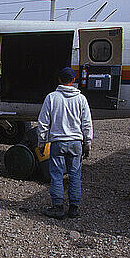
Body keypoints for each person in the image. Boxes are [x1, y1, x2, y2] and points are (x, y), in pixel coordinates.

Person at [38, 67, 93, 219]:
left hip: (58, 142)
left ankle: (58, 207)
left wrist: (42, 143)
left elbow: (43, 123)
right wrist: (87, 143)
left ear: (59, 80)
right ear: (74, 80)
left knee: (56, 174)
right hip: (76, 142)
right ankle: (74, 207)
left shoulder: (52, 98)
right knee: (75, 175)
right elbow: (87, 123)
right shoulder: (81, 99)